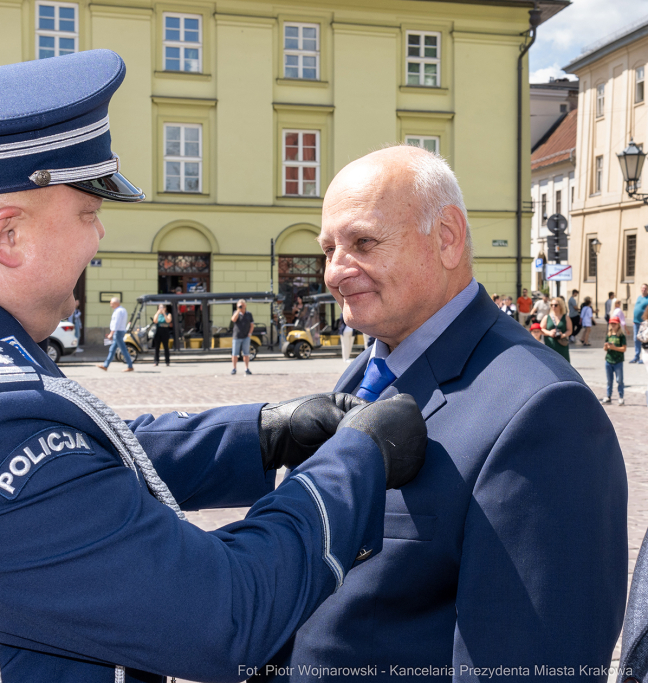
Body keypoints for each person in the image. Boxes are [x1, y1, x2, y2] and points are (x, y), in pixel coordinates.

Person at [0, 51, 428, 682]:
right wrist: (359, 460)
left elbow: (68, 472)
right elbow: (224, 613)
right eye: (89, 211)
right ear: (8, 235)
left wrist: (260, 432)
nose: (99, 236)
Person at [266, 145, 626, 678]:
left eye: (363, 241)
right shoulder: (366, 370)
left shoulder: (545, 410)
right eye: (329, 248)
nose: (335, 271)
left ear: (448, 238)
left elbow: (531, 664)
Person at [98, 296, 133, 372]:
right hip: (119, 331)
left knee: (123, 349)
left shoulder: (118, 311)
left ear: (116, 303)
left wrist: (111, 333)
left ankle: (130, 366)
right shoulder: (121, 310)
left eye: (112, 303)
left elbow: (116, 323)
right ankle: (106, 365)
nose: (111, 305)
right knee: (112, 349)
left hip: (118, 332)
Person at [601, 316, 626, 405]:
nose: (613, 325)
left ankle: (621, 396)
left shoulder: (621, 336)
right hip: (608, 360)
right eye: (611, 323)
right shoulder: (609, 334)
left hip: (618, 361)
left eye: (614, 323)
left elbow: (624, 349)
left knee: (619, 380)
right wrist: (606, 346)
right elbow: (605, 349)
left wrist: (614, 348)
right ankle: (608, 396)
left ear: (618, 324)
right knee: (609, 380)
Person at [543, 296, 573, 362]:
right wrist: (549, 333)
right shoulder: (547, 317)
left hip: (562, 345)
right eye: (551, 305)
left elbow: (570, 330)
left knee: (563, 363)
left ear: (560, 306)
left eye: (556, 305)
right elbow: (541, 329)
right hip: (550, 345)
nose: (553, 306)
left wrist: (563, 335)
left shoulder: (566, 318)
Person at [231, 298, 254, 375]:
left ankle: (246, 368)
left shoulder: (249, 314)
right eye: (239, 305)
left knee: (246, 353)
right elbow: (233, 320)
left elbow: (252, 325)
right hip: (237, 336)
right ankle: (234, 368)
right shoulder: (236, 313)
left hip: (246, 337)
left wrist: (249, 333)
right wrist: (238, 310)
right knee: (234, 354)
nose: (241, 307)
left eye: (242, 305)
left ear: (245, 306)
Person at [632, 283, 648, 364]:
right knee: (636, 339)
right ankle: (636, 356)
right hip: (636, 322)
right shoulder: (639, 297)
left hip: (644, 323)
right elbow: (636, 308)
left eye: (645, 288)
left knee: (644, 340)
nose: (643, 289)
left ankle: (643, 357)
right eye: (642, 288)